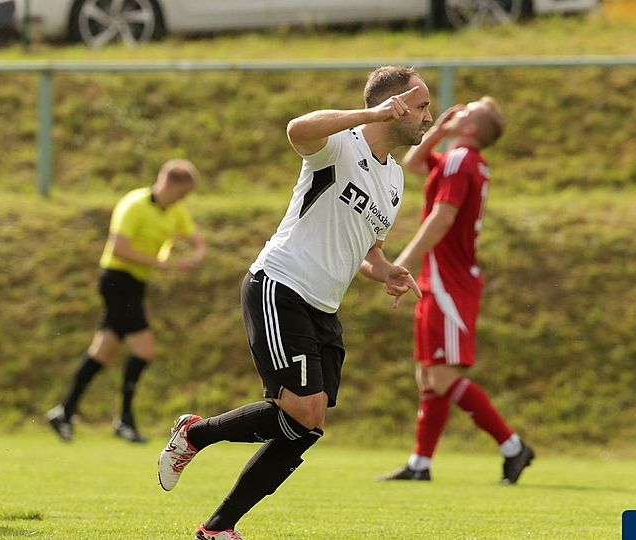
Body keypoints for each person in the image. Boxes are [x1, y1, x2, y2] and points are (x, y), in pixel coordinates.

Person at [157, 65, 430, 540]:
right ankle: (193, 436)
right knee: (301, 412)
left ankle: (217, 528)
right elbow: (296, 129)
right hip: (280, 284)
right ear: (397, 105)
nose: (430, 117)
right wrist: (368, 113)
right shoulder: (339, 144)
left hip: (324, 307)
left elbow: (365, 247)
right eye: (423, 106)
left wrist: (385, 270)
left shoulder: (396, 180)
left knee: (308, 425)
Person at [379, 97, 534, 484]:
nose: (455, 110)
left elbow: (442, 217)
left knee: (443, 378)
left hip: (449, 280)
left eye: (465, 112)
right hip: (442, 277)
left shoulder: (461, 160)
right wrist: (439, 133)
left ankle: (513, 446)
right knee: (429, 377)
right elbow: (413, 163)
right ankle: (420, 464)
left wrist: (404, 260)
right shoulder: (460, 159)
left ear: (471, 129)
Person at [46, 158, 207, 443]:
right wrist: (161, 264)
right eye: (181, 193)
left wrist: (195, 254)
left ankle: (64, 412)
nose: (182, 200)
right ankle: (124, 419)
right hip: (117, 281)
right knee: (144, 351)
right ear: (168, 183)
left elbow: (196, 240)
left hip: (136, 285)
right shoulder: (133, 204)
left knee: (101, 353)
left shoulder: (175, 210)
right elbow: (119, 249)